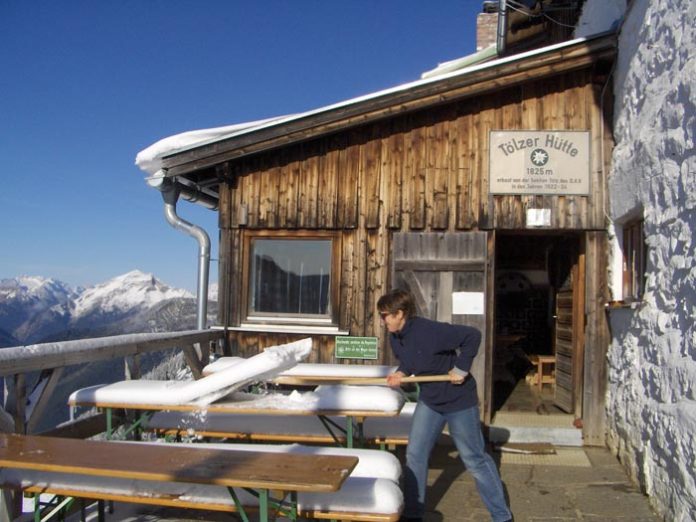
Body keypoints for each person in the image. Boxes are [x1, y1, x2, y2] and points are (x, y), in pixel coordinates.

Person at [377, 288, 512, 522]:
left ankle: (502, 517)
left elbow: (472, 335)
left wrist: (461, 368)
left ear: (401, 313)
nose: (383, 320)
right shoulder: (395, 337)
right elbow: (410, 362)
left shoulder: (430, 331)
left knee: (474, 458)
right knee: (415, 455)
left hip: (459, 400)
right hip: (430, 401)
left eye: (385, 315)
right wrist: (401, 374)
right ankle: (413, 514)